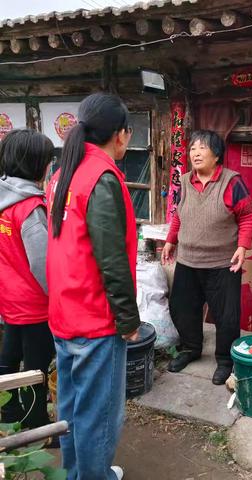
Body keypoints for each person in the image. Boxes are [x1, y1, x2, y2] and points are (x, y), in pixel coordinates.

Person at [47, 93, 140, 480]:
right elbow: (112, 260)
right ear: (119, 135)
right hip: (95, 319)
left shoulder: (63, 173)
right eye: (128, 134)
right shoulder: (101, 177)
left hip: (65, 312)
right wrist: (128, 320)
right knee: (98, 416)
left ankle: (78, 473)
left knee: (71, 408)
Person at [162, 130, 252, 385]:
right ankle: (190, 349)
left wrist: (243, 246)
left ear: (217, 154)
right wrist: (171, 240)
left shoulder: (231, 182)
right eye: (192, 148)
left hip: (222, 263)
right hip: (188, 260)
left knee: (226, 315)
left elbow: (247, 215)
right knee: (183, 309)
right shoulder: (183, 182)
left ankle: (225, 360)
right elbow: (179, 214)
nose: (196, 153)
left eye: (202, 148)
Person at [0, 129, 56, 432]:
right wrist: (59, 298)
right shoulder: (29, 208)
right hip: (35, 305)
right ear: (37, 165)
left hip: (8, 299)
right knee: (36, 368)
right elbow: (42, 264)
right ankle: (36, 424)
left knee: (8, 359)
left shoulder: (3, 200)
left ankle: (8, 413)